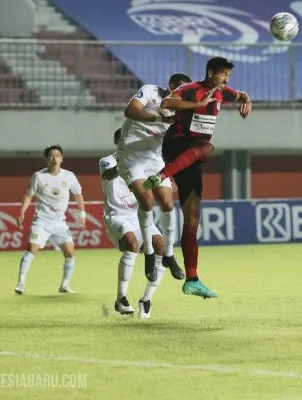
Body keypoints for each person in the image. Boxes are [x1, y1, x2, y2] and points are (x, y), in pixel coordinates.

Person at [143, 56, 252, 299]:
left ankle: (192, 279)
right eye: (223, 74)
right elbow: (168, 102)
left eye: (228, 76)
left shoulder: (223, 91)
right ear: (211, 73)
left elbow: (242, 95)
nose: (226, 79)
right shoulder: (191, 89)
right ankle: (162, 174)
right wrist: (198, 104)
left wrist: (247, 101)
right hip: (177, 144)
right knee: (208, 148)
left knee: (192, 219)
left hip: (193, 154)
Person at [117, 73, 192, 283]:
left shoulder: (182, 110)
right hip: (131, 155)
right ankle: (149, 253)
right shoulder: (150, 92)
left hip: (155, 159)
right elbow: (129, 111)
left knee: (168, 203)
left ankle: (168, 255)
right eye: (179, 90)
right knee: (147, 200)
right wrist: (159, 118)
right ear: (169, 87)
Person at [102, 129, 166, 318]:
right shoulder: (108, 161)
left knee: (160, 245)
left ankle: (146, 300)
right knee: (131, 243)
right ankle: (121, 298)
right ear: (117, 141)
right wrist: (128, 162)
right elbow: (108, 175)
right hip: (117, 215)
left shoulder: (145, 162)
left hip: (138, 215)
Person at [15, 144, 85, 295]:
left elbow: (78, 194)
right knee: (32, 248)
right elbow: (29, 195)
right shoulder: (39, 176)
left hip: (59, 222)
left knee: (70, 252)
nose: (55, 159)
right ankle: (20, 283)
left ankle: (64, 285)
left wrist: (82, 213)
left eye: (58, 156)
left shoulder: (69, 176)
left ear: (62, 159)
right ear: (46, 159)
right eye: (52, 156)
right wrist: (22, 212)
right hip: (42, 220)